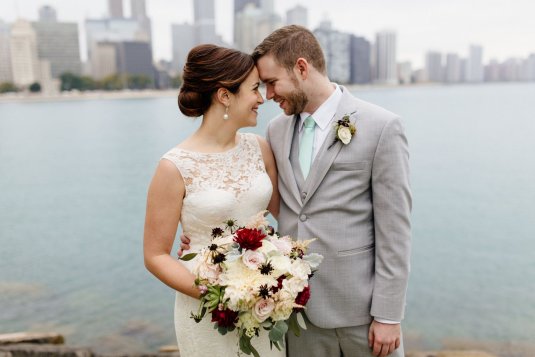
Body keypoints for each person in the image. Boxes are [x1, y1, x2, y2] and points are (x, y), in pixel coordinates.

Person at [181, 25, 412, 357]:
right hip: (294, 313)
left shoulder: (381, 127)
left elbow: (396, 230)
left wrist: (389, 314)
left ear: (302, 68)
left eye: (272, 83)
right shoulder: (275, 132)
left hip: (361, 313)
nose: (269, 95)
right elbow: (264, 203)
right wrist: (205, 241)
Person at [143, 44, 283, 357]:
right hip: (208, 312)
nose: (262, 98)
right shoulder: (173, 166)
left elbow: (287, 216)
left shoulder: (259, 148)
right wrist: (220, 296)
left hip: (263, 305)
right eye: (254, 89)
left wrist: (283, 272)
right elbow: (155, 255)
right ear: (224, 96)